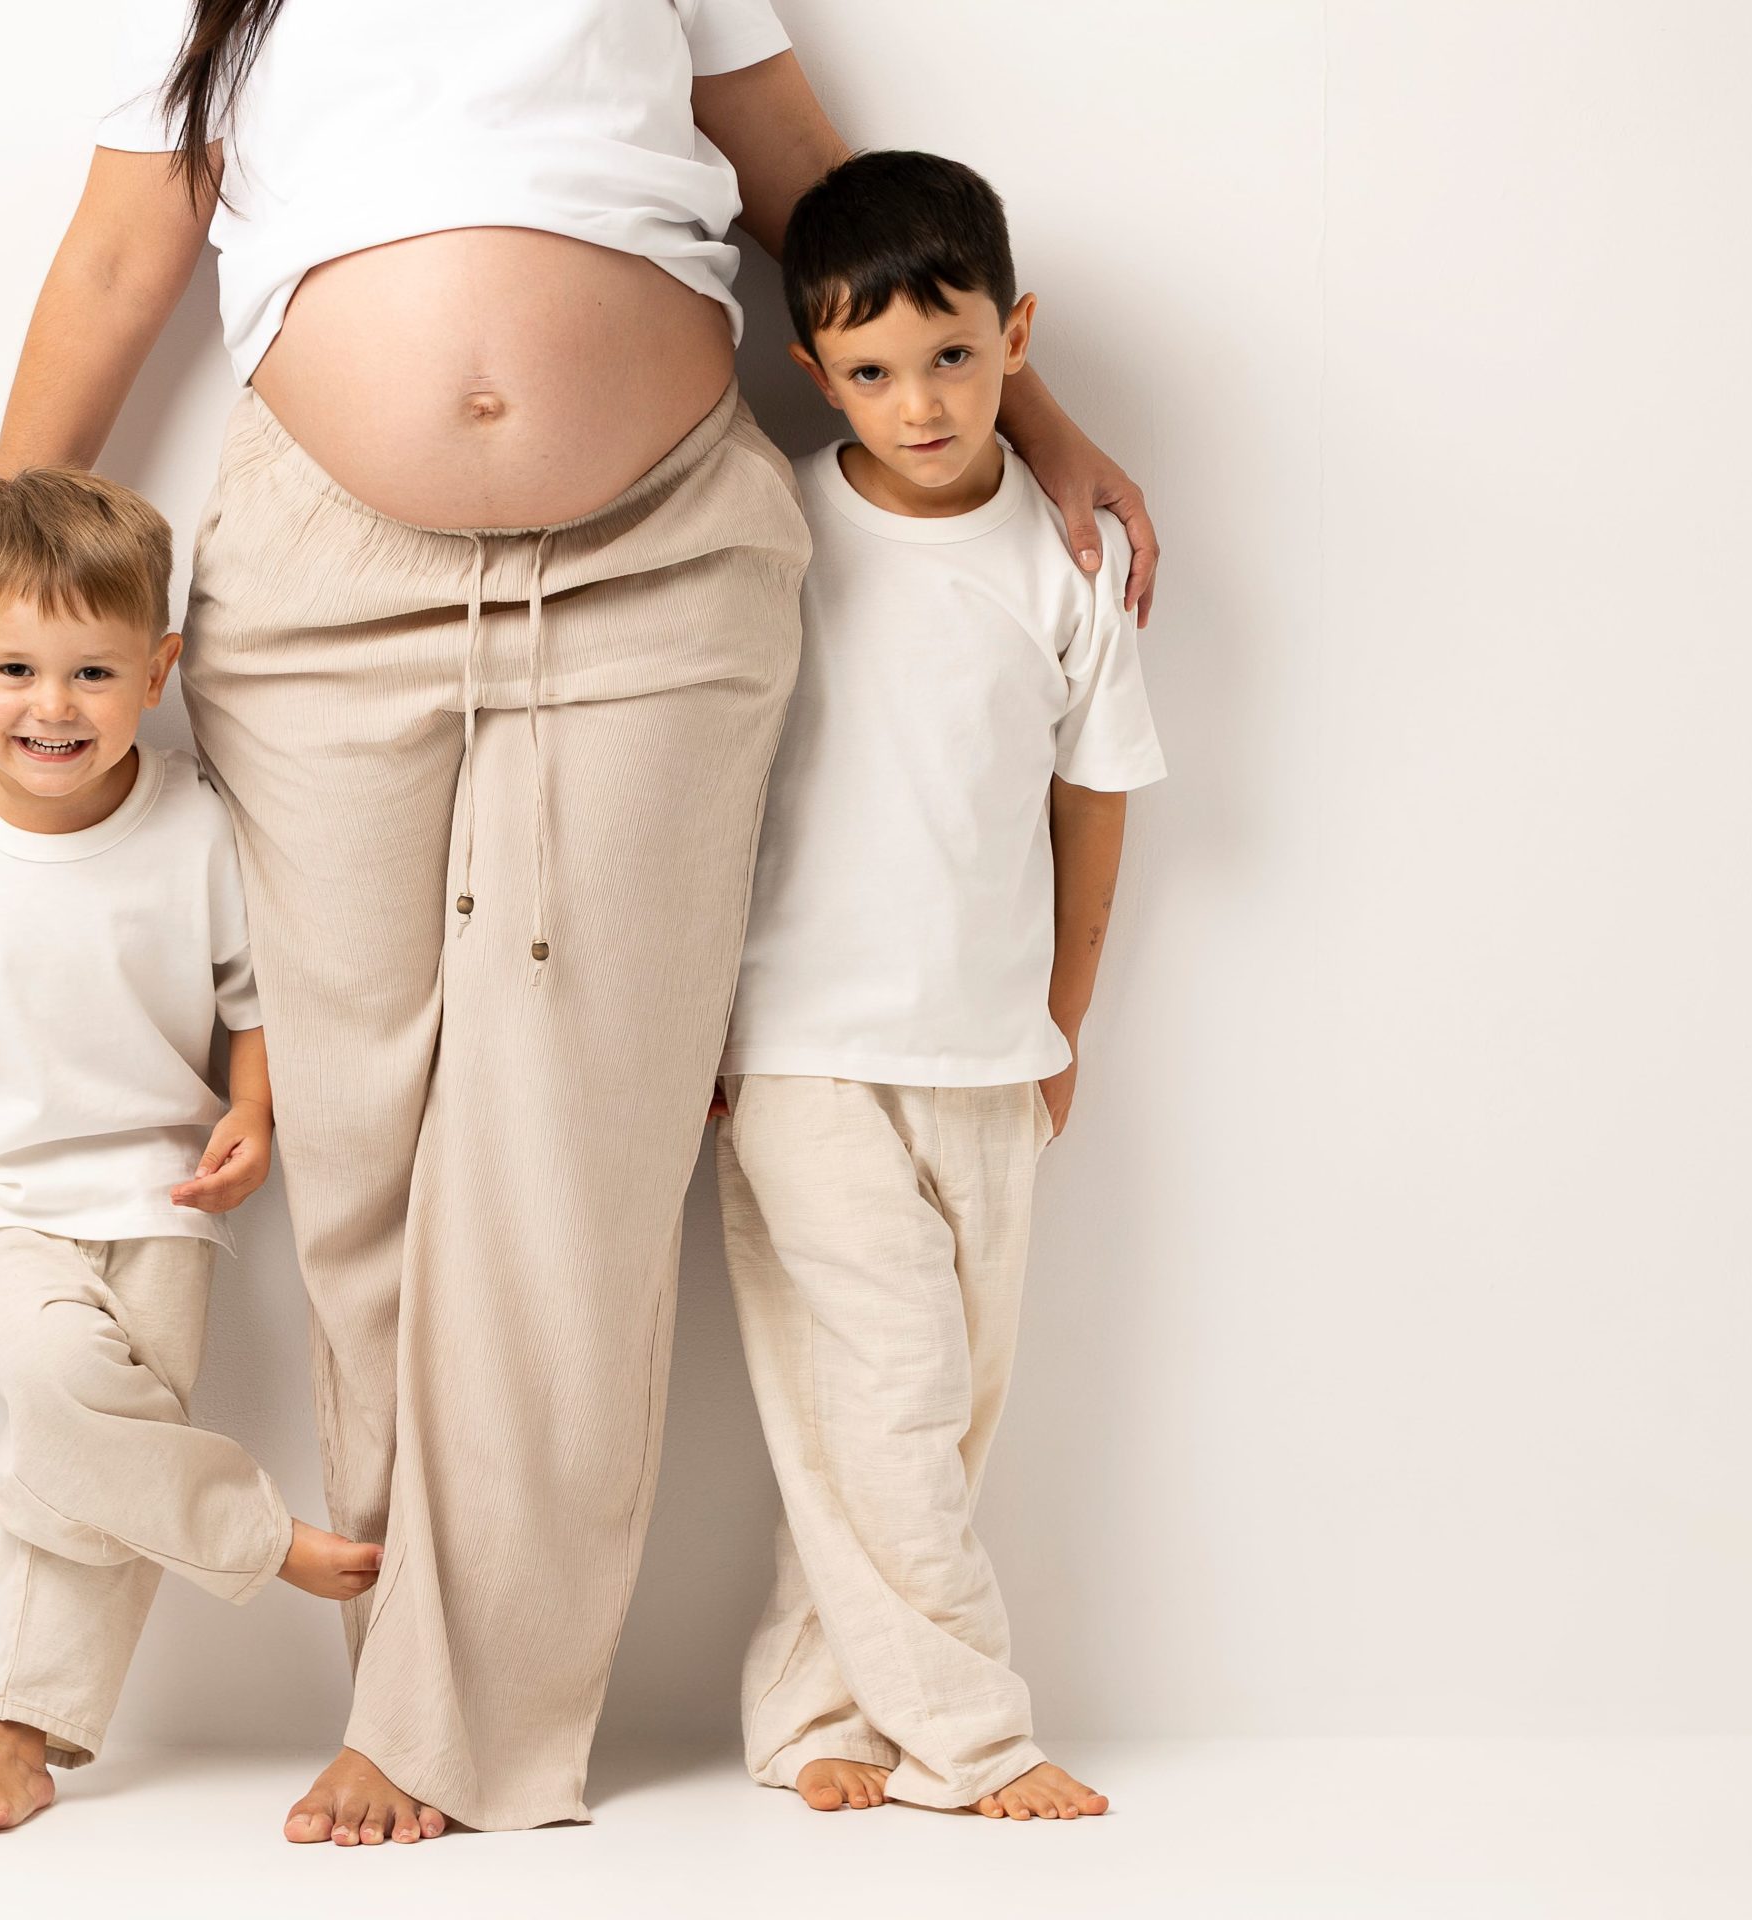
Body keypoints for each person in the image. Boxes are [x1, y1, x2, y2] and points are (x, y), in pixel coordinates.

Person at [0, 1, 1163, 1844]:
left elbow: (820, 194)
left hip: (658, 567)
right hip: (320, 576)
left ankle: (446, 1733)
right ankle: (402, 1677)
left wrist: (1045, 426)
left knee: (570, 1164)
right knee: (362, 1150)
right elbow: (112, 261)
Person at [0, 468, 383, 1832]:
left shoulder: (197, 824)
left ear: (157, 671)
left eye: (93, 672)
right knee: (62, 1386)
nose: (53, 705)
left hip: (160, 1198)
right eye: (15, 670)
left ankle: (19, 1733)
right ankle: (255, 1537)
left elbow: (253, 998)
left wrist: (255, 1110)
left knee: (84, 1452)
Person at [714, 150, 1165, 1823]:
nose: (920, 403)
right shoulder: (772, 528)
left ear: (1015, 338)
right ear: (815, 370)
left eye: (955, 358)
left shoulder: (1066, 565)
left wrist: (1066, 1025)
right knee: (892, 1388)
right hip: (800, 1047)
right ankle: (974, 1738)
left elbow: (1093, 804)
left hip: (987, 1049)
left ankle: (809, 1711)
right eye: (874, 371)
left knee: (924, 1411)